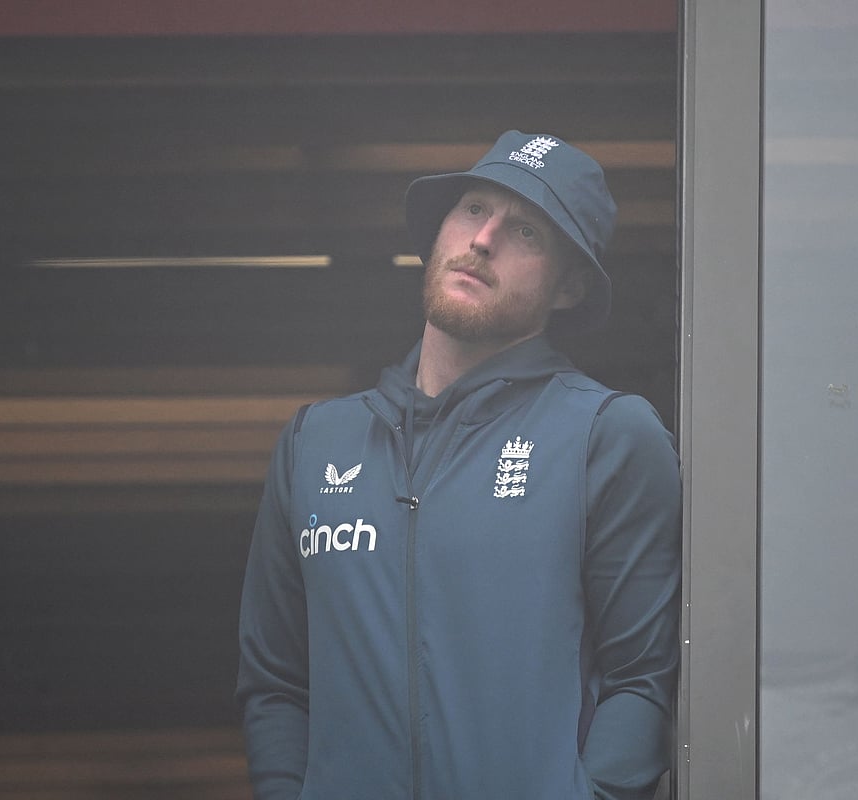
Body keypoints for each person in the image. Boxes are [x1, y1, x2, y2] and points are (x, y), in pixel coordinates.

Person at [236, 130, 681, 800]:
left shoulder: (607, 435)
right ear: (439, 230)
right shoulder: (314, 442)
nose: (484, 238)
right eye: (474, 209)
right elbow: (276, 682)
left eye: (526, 231)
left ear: (569, 288)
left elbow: (643, 680)